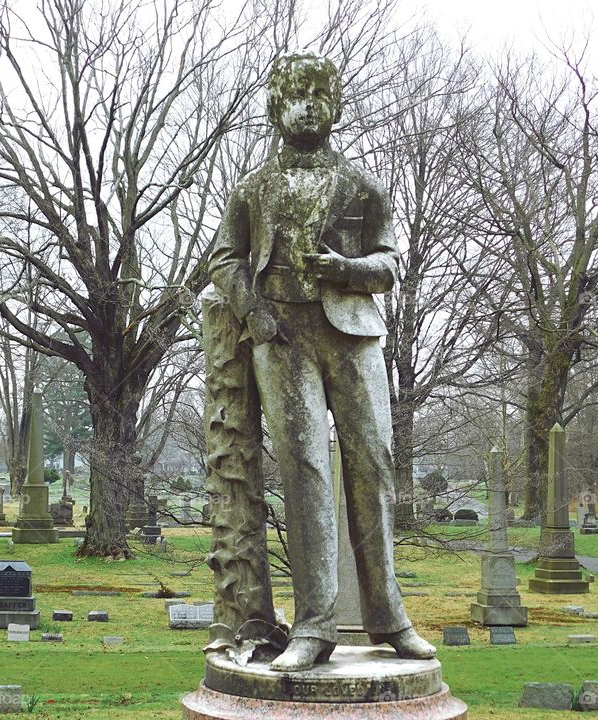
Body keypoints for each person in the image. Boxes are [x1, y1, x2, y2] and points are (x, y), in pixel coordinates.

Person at [209, 52, 436, 672]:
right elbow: (224, 259)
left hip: (351, 334)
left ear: (335, 107)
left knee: (374, 463)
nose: (308, 106)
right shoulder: (251, 188)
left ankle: (391, 619)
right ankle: (314, 625)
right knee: (305, 473)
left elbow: (392, 263)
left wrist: (348, 270)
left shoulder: (362, 184)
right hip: (282, 339)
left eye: (320, 95)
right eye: (296, 95)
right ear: (275, 107)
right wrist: (253, 309)